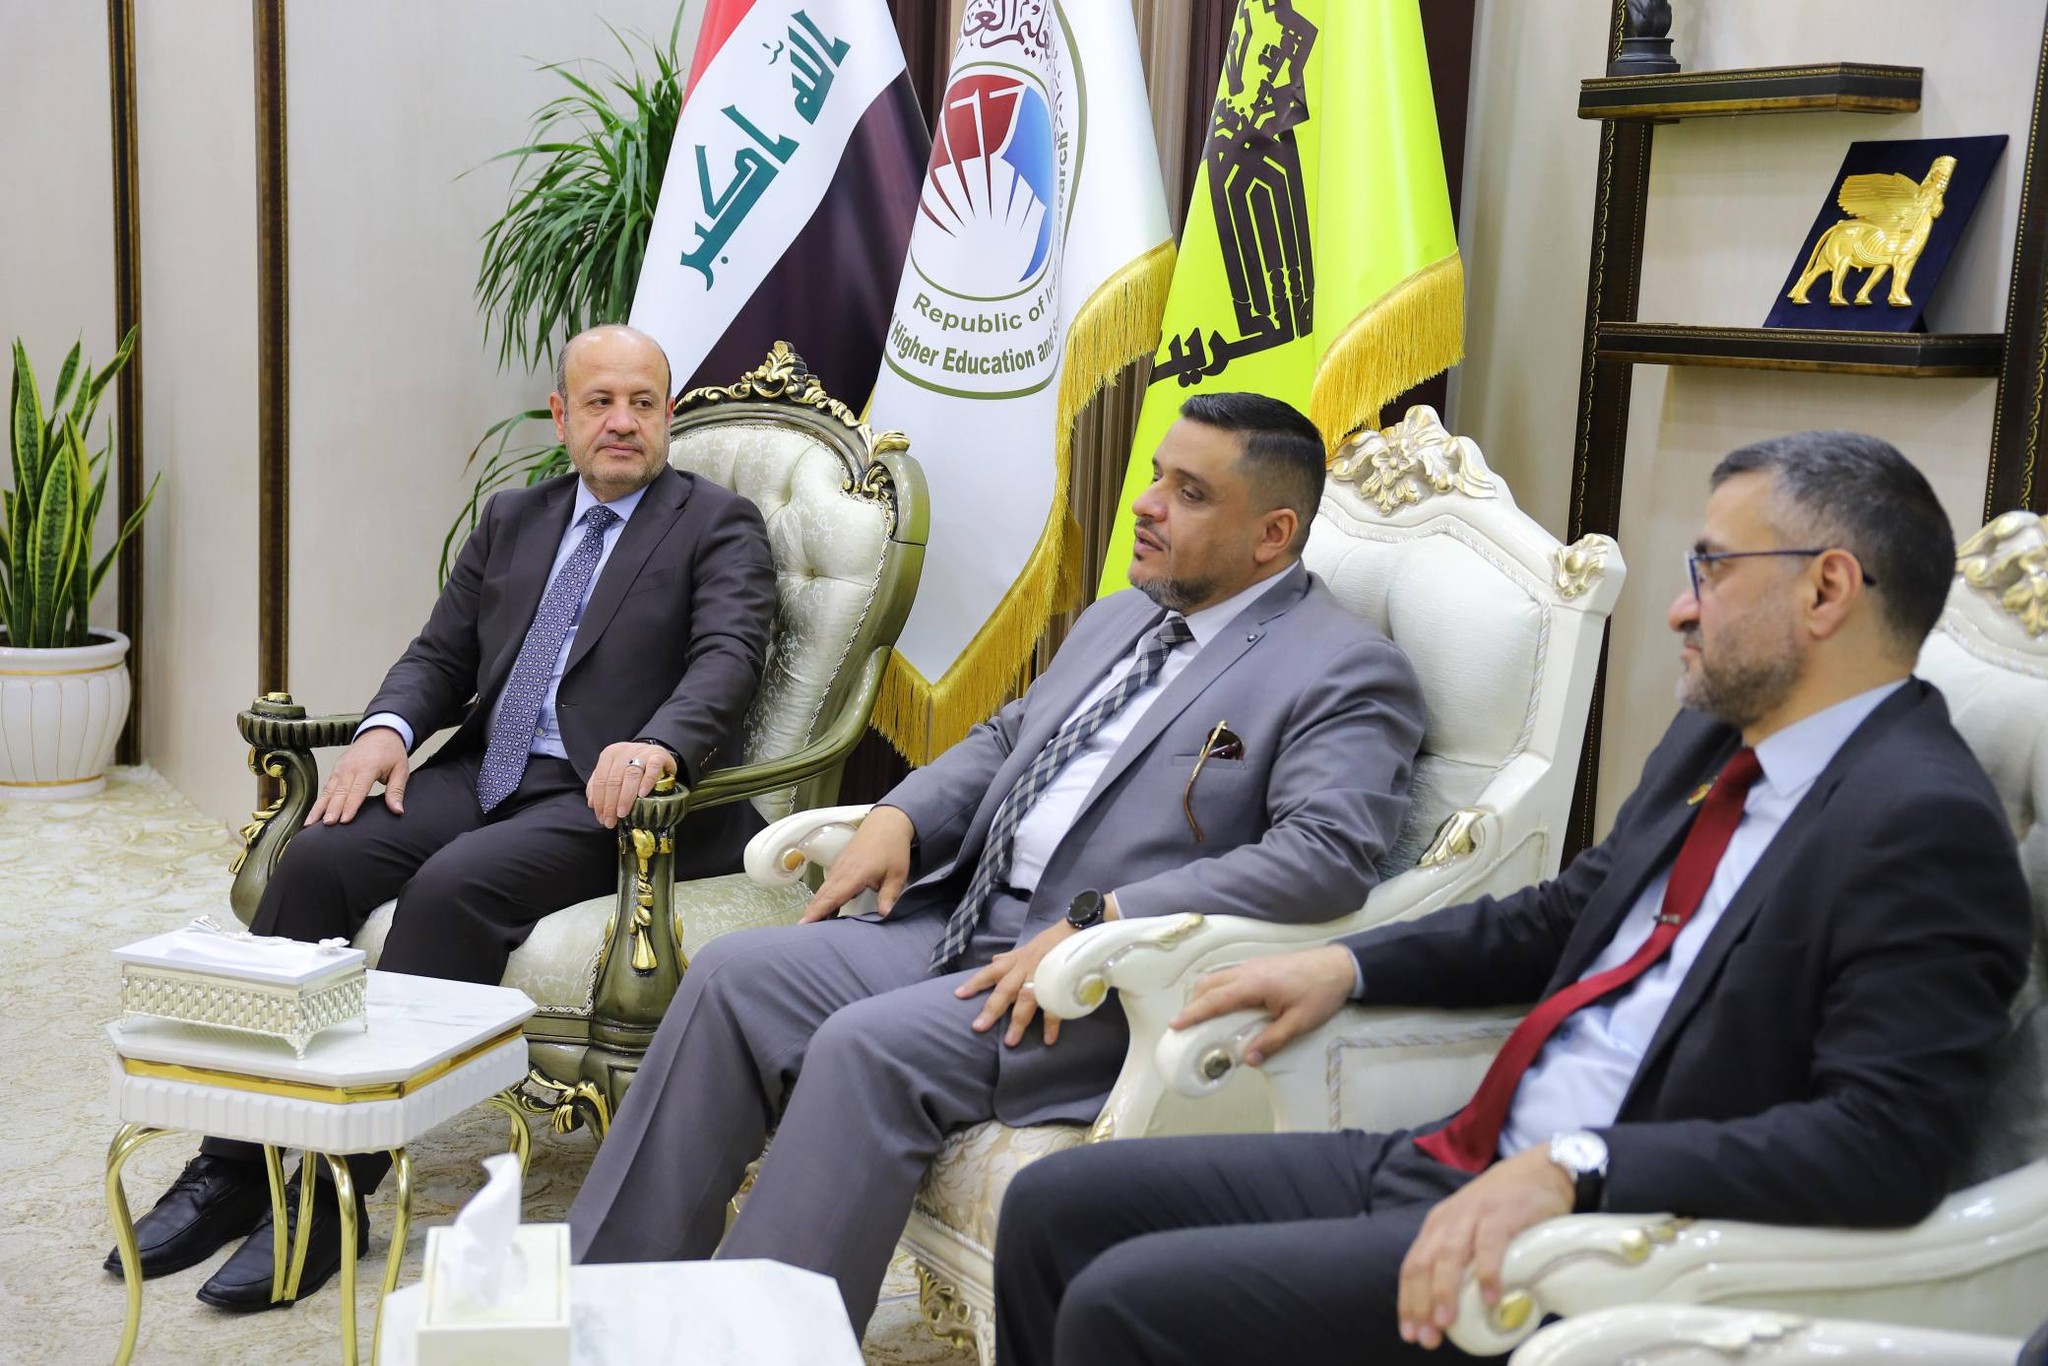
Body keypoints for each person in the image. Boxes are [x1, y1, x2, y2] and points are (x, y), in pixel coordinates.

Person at [993, 431, 2035, 1366]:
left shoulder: (1923, 826)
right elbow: (1565, 915)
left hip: (1601, 1245)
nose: (1680, 606)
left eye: (1711, 568)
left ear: (1826, 590)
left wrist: (1580, 1167)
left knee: (1127, 1305)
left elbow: (1881, 1145)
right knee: (1053, 1206)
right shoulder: (1719, 738)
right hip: (1459, 1152)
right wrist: (1346, 964)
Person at [568, 391, 1430, 1335]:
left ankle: (756, 1349)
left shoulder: (1344, 668)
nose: (1147, 506)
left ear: (1273, 534)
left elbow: (1325, 856)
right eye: (1155, 478)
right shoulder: (1121, 617)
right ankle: (597, 1309)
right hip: (965, 916)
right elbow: (1008, 737)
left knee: (865, 1046)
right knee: (732, 977)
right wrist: (901, 814)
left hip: (1093, 983)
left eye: (1189, 493)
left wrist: (1106, 917)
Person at [112, 324, 778, 1312]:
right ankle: (235, 1164)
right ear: (561, 417)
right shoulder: (515, 518)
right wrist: (385, 731)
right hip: (486, 768)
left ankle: (336, 1191)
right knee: (317, 858)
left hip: (616, 795)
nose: (622, 421)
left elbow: (729, 657)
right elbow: (440, 654)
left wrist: (659, 744)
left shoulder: (716, 524)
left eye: (643, 402)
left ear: (667, 415)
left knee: (451, 890)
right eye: (600, 402)